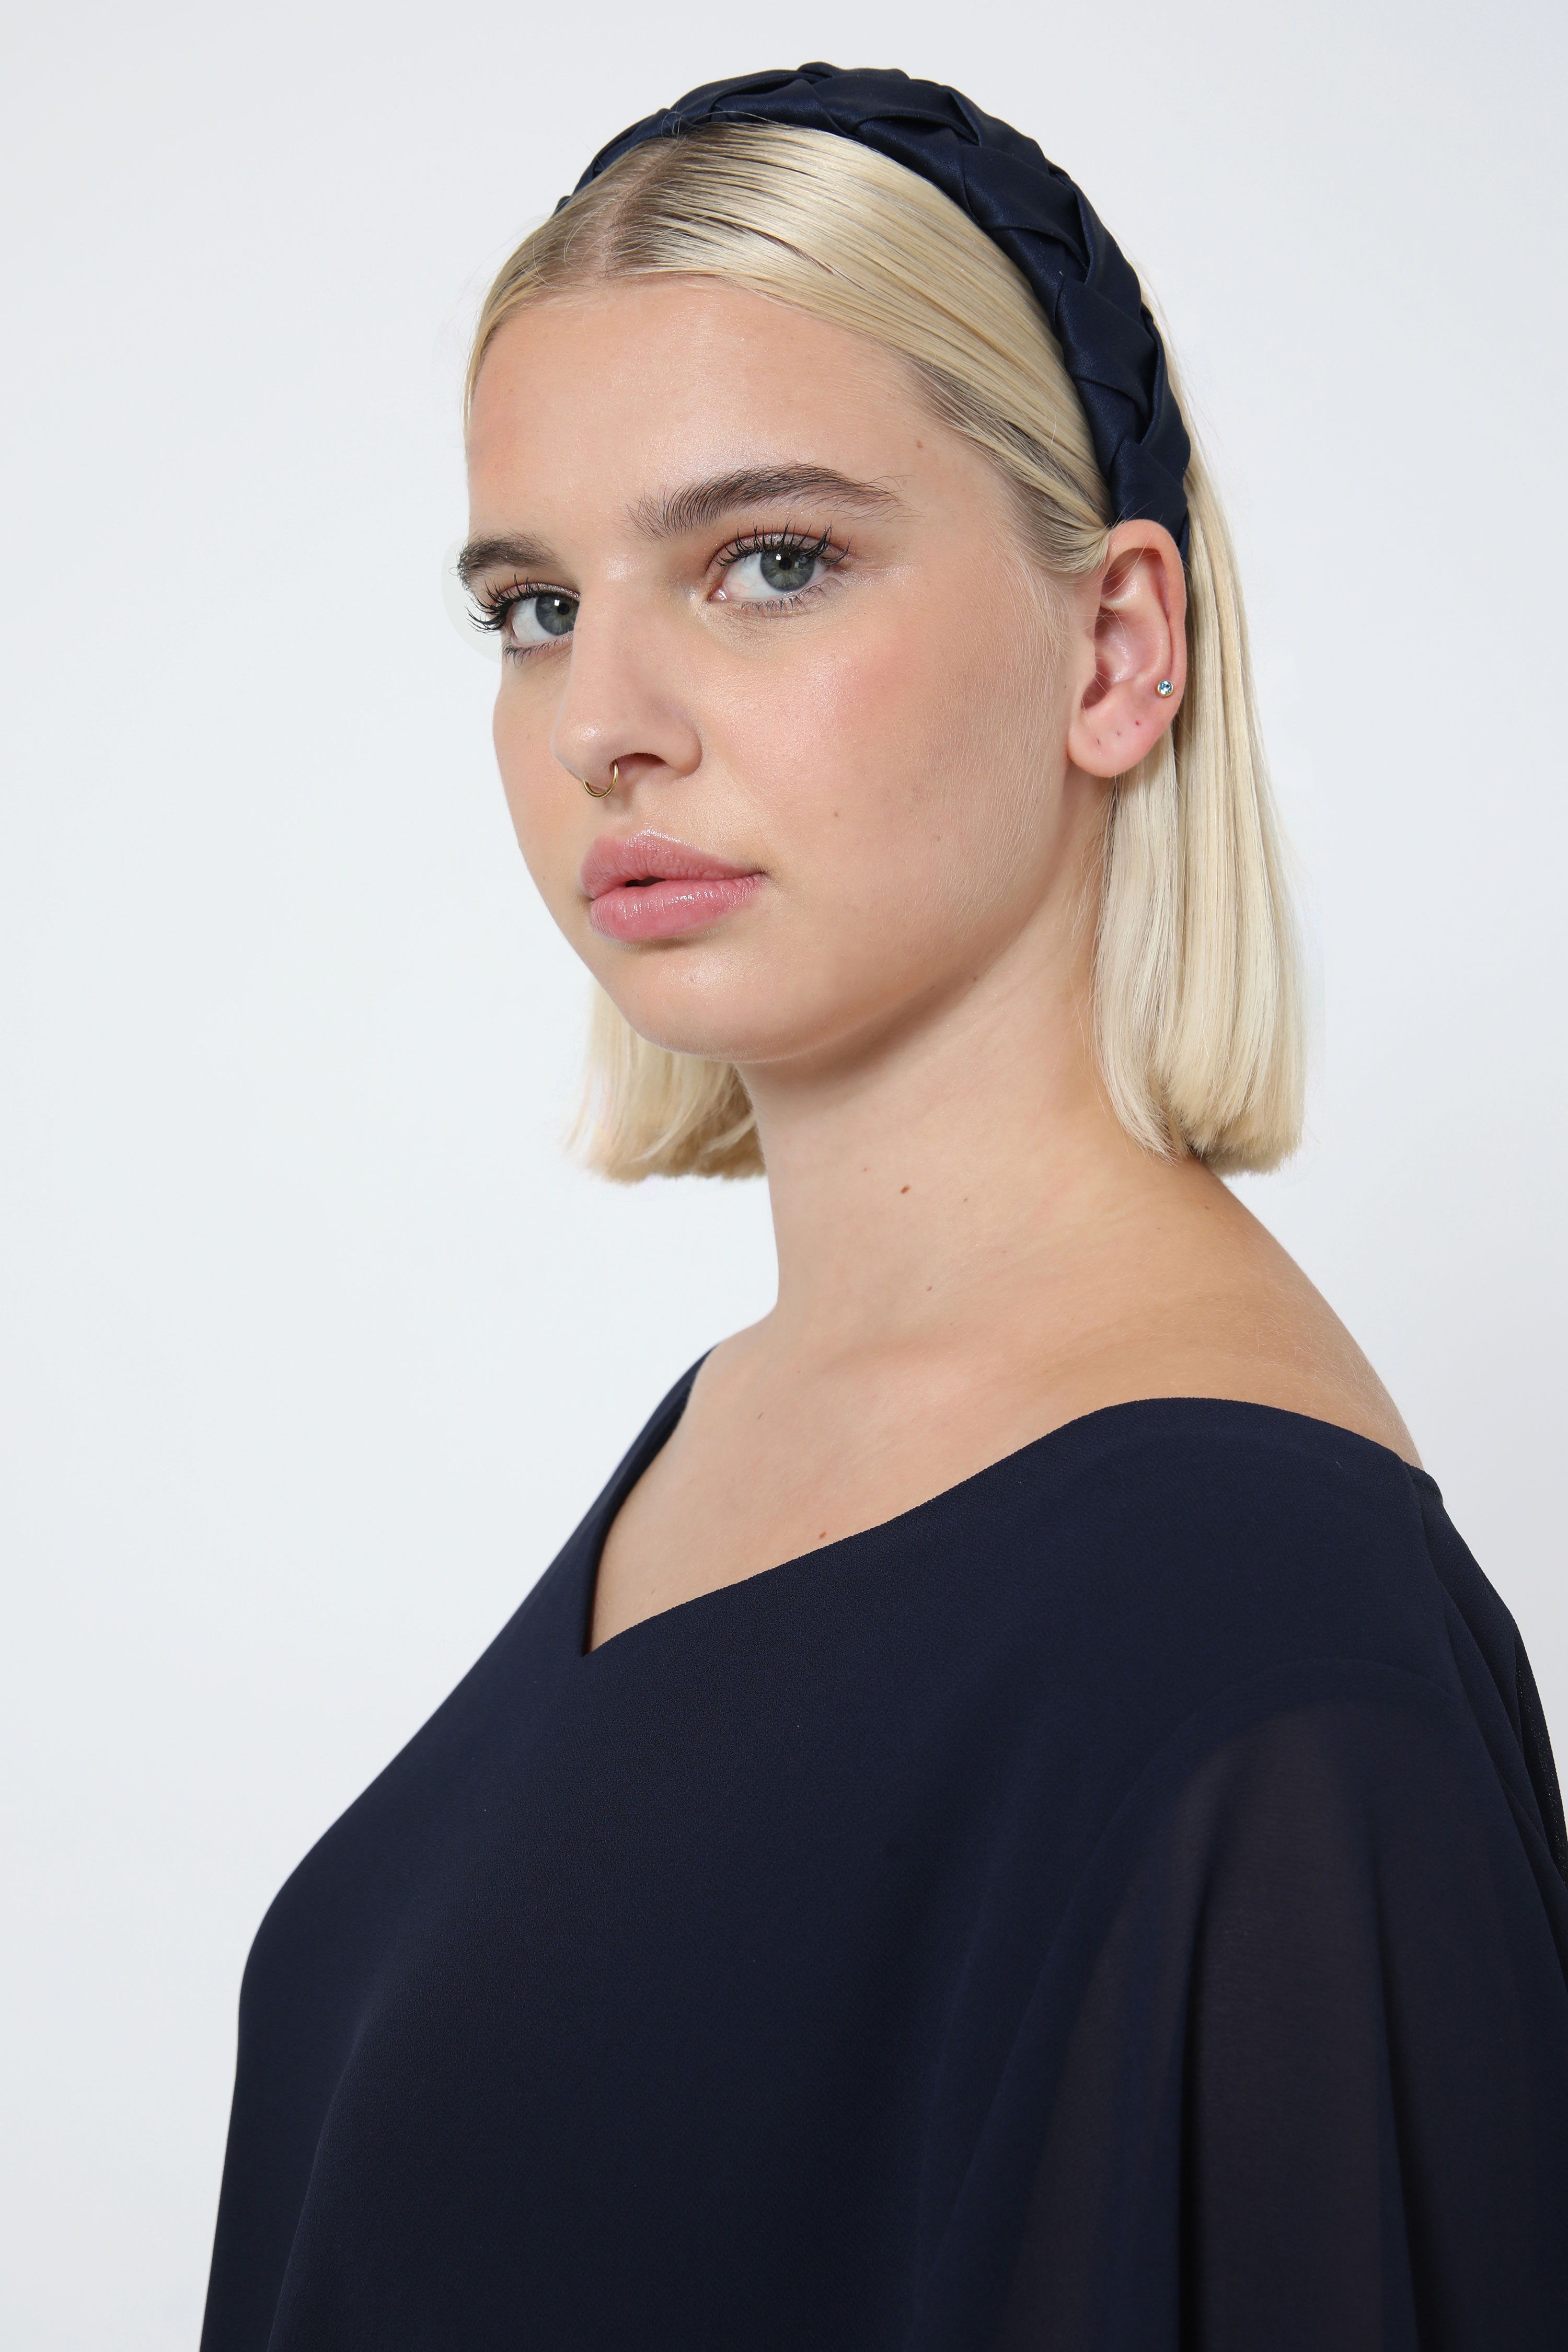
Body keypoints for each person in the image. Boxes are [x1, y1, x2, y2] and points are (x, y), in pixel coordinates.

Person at [199, 65, 1568, 2351]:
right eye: (534, 605)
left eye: (771, 561)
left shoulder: (1268, 1646)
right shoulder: (742, 1426)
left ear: (1115, 650)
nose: (605, 719)